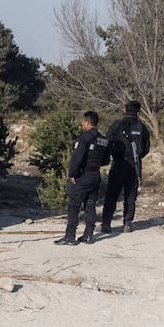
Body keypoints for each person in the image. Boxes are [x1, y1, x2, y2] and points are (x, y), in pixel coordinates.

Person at [55, 111, 110, 246]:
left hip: (83, 176)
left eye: (82, 122)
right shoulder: (103, 140)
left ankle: (70, 236)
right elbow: (106, 160)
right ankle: (88, 235)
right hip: (95, 176)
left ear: (87, 122)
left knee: (74, 206)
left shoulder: (83, 139)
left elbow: (76, 159)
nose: (82, 125)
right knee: (90, 205)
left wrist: (72, 175)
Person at [101, 101, 150, 234]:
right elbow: (146, 148)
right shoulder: (142, 127)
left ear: (125, 111)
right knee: (130, 195)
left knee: (112, 194)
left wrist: (111, 155)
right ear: (138, 113)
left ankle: (106, 223)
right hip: (134, 165)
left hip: (118, 163)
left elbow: (107, 141)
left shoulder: (117, 125)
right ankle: (127, 223)